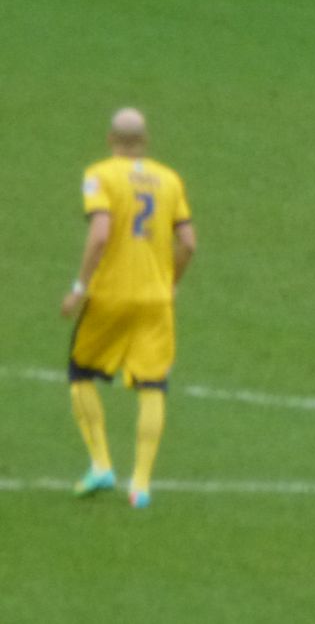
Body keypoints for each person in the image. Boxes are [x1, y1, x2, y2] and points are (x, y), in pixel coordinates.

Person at [60, 108, 196, 509]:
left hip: (110, 297)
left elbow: (100, 234)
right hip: (156, 299)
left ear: (109, 139)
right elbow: (188, 243)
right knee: (152, 385)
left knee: (81, 373)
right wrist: (170, 284)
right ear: (146, 141)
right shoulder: (170, 180)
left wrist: (79, 287)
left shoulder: (99, 174)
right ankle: (141, 485)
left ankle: (101, 464)